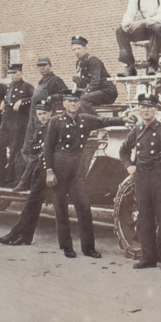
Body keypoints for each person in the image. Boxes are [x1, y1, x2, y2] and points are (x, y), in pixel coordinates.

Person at [44, 88, 128, 259]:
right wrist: (49, 171)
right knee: (61, 208)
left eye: (76, 101)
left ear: (80, 103)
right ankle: (67, 246)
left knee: (83, 205)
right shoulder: (55, 121)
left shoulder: (86, 120)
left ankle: (88, 248)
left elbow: (104, 121)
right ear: (64, 104)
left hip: (77, 167)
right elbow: (47, 148)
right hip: (59, 166)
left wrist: (123, 119)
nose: (73, 104)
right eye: (69, 101)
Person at [119, 94, 161, 271]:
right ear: (139, 110)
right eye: (142, 107)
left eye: (149, 107)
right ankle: (148, 257)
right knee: (144, 218)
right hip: (141, 178)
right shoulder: (137, 130)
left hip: (160, 177)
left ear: (156, 109)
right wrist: (129, 166)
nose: (146, 110)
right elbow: (123, 151)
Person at [0, 99, 53, 245]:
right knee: (34, 204)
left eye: (45, 114)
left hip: (49, 170)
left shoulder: (53, 128)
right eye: (39, 114)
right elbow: (33, 154)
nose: (42, 117)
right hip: (38, 169)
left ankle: (13, 234)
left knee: (31, 203)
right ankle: (27, 237)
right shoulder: (40, 129)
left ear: (51, 113)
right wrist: (25, 178)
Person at [13, 58, 67, 192]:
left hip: (44, 122)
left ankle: (32, 184)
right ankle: (25, 181)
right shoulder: (40, 82)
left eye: (44, 66)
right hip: (33, 120)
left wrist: (51, 98)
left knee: (39, 153)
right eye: (39, 66)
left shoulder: (55, 80)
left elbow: (65, 94)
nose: (41, 68)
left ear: (50, 65)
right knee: (27, 149)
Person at [0, 63, 33, 187]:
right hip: (6, 122)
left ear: (21, 73)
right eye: (11, 73)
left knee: (15, 150)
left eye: (15, 73)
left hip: (18, 122)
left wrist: (23, 101)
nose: (13, 75)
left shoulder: (27, 87)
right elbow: (7, 99)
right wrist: (1, 102)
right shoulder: (9, 87)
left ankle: (11, 179)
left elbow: (34, 99)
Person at [70, 35, 118, 114]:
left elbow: (95, 82)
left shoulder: (92, 60)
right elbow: (86, 83)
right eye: (74, 49)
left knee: (83, 99)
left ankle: (95, 121)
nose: (76, 52)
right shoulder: (79, 63)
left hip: (107, 92)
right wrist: (79, 82)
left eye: (79, 48)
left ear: (85, 48)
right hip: (96, 92)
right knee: (72, 100)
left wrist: (84, 93)